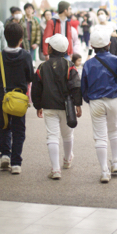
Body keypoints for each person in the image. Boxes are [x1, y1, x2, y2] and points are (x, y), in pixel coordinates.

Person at [81, 25, 117, 183]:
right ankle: (115, 163)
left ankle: (104, 171)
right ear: (109, 44)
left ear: (92, 46)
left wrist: (89, 100)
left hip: (95, 102)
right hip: (113, 100)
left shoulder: (88, 65)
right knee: (114, 131)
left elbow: (83, 88)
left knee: (100, 137)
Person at [32, 34, 82, 180]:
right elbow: (76, 86)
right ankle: (67, 160)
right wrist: (78, 104)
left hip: (48, 105)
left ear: (50, 48)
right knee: (67, 135)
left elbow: (36, 88)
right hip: (67, 107)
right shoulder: (69, 66)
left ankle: (55, 169)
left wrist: (38, 105)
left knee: (52, 136)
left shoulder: (42, 67)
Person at [0, 22, 34, 175]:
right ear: (21, 39)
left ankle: (4, 155)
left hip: (3, 97)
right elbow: (31, 76)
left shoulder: (0, 56)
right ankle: (16, 163)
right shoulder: (26, 56)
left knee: (4, 126)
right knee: (19, 130)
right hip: (19, 98)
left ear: (5, 37)